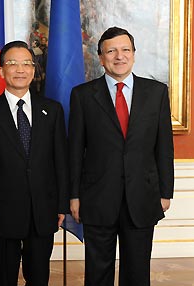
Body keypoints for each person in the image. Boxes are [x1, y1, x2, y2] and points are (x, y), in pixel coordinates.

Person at [68, 27, 174, 286]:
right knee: (98, 271)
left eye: (125, 49)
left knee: (137, 272)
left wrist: (165, 192)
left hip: (143, 196)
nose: (119, 56)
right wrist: (74, 195)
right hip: (97, 198)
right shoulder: (83, 95)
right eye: (111, 51)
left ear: (134, 55)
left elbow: (164, 147)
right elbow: (74, 150)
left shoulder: (156, 92)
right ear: (101, 58)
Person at [0, 40, 69, 285]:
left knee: (38, 277)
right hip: (2, 211)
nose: (20, 69)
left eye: (27, 63)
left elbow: (60, 160)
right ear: (1, 71)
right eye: (12, 64)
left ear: (34, 70)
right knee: (4, 278)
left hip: (43, 210)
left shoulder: (52, 110)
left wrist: (61, 204)